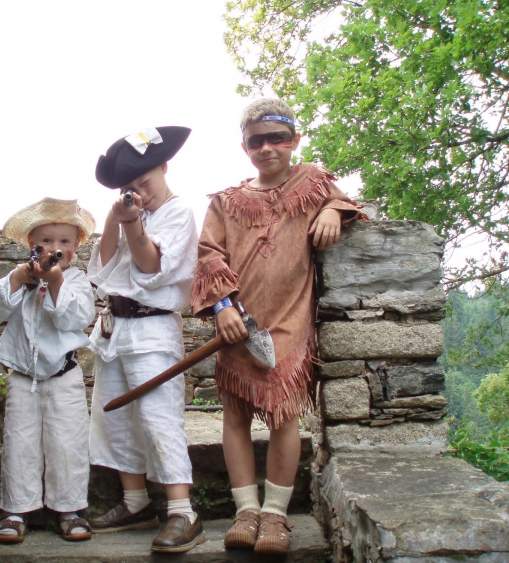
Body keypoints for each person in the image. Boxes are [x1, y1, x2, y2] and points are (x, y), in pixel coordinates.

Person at [190, 99, 366, 555]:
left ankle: (275, 514)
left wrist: (333, 210)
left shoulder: (313, 183)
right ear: (244, 147)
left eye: (277, 138)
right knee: (235, 416)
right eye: (256, 141)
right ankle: (245, 510)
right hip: (237, 321)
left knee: (284, 415)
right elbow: (209, 254)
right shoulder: (226, 202)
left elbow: (344, 199)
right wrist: (222, 306)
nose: (267, 147)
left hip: (290, 316)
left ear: (294, 140)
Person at [86, 126, 204, 553]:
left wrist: (133, 223)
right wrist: (115, 218)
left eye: (145, 181)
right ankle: (135, 502)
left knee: (158, 417)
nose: (140, 192)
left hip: (153, 328)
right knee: (115, 416)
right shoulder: (129, 212)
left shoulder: (178, 212)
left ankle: (183, 511)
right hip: (115, 327)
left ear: (164, 167)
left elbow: (151, 266)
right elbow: (102, 267)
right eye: (130, 187)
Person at [0, 198, 97, 544]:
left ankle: (70, 509)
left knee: (67, 443)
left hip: (64, 375)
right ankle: (17, 511)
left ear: (75, 247)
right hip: (23, 376)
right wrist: (20, 276)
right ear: (32, 244)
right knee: (20, 442)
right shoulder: (20, 277)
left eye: (63, 241)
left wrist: (56, 282)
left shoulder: (76, 280)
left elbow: (77, 317)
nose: (54, 247)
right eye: (46, 240)